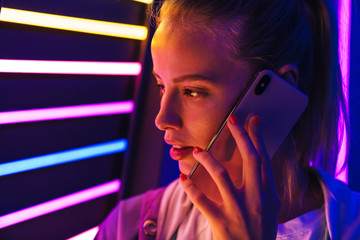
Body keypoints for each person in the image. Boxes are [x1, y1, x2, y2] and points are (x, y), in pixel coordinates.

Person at [96, 0, 360, 239]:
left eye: (193, 91)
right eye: (161, 86)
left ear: (278, 92)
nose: (162, 119)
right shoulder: (125, 228)